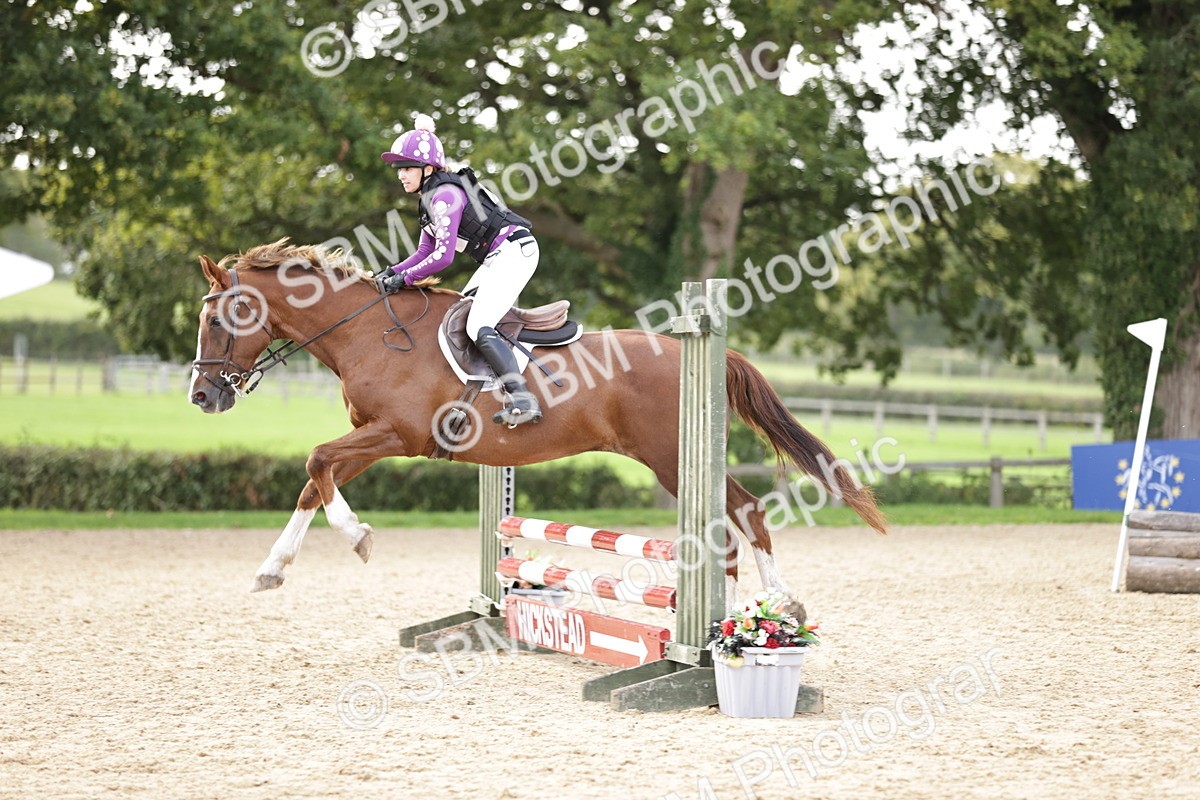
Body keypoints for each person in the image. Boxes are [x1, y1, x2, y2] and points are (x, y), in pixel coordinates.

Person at [377, 114, 542, 427]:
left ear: (428, 169)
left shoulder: (445, 196)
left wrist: (405, 279)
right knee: (458, 317)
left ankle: (522, 396)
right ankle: (478, 393)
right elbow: (424, 251)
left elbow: (442, 257)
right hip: (497, 257)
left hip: (515, 252)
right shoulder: (430, 198)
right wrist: (390, 272)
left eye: (407, 168)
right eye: (399, 169)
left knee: (478, 324)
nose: (401, 175)